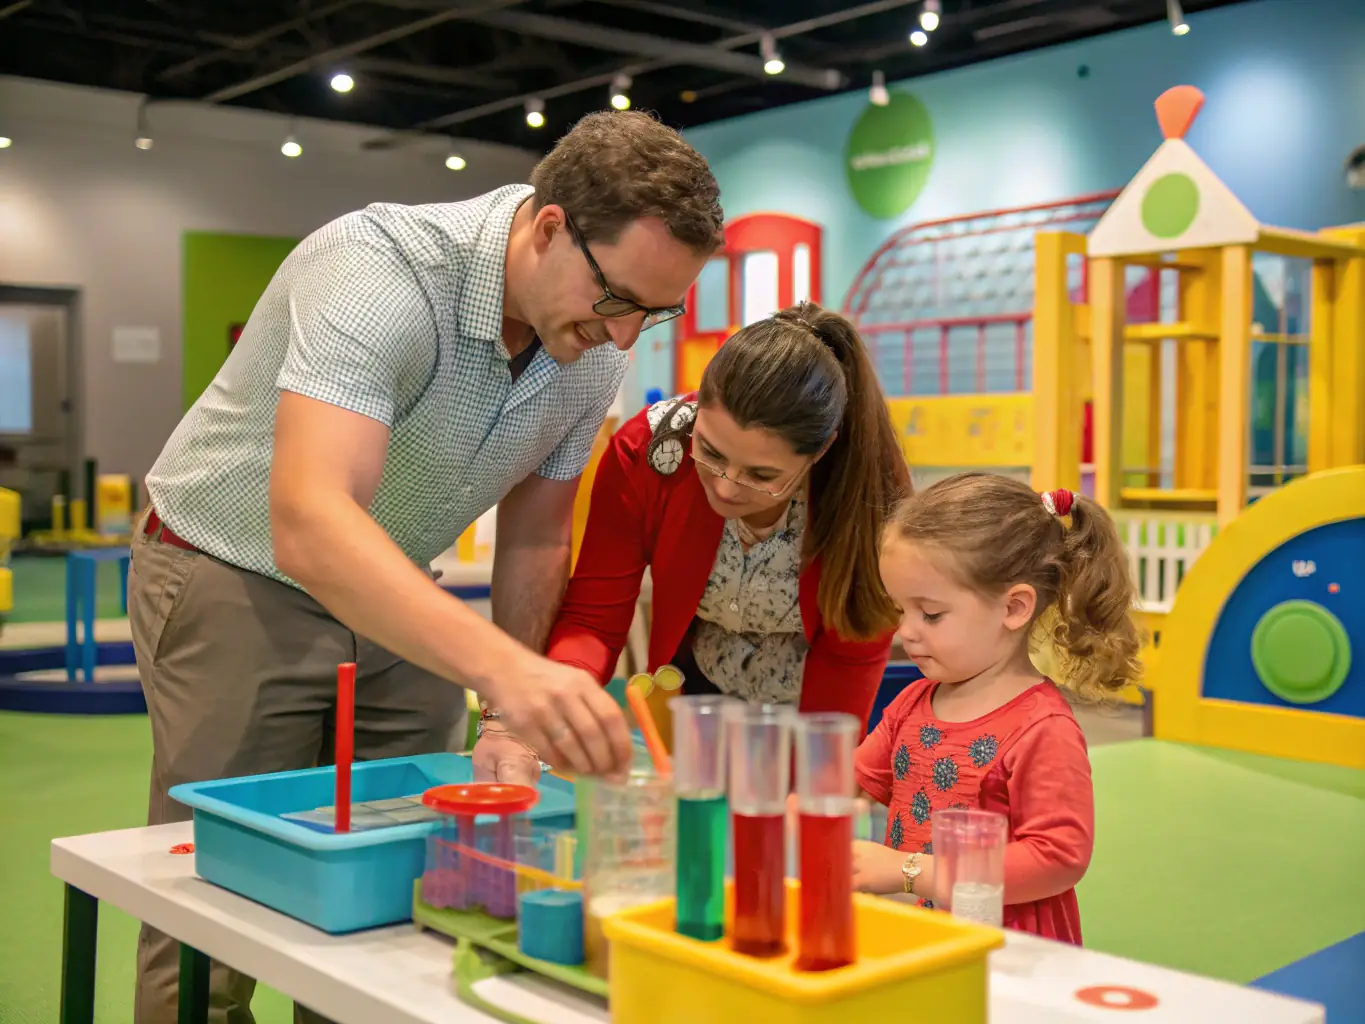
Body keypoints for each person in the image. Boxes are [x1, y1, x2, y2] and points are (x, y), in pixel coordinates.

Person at [128, 109, 723, 1024]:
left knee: (416, 886)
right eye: (618, 302)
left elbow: (533, 537)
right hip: (233, 566)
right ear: (550, 225)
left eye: (658, 311)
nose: (626, 339)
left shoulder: (585, 345)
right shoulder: (378, 269)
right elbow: (312, 525)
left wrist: (512, 715)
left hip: (392, 585)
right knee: (219, 899)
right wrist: (509, 669)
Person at [472, 301, 912, 780]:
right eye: (710, 451)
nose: (725, 486)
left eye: (761, 475)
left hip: (811, 711)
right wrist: (556, 709)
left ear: (819, 451)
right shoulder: (649, 452)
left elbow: (854, 646)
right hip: (695, 706)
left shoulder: (867, 490)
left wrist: (813, 778)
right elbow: (595, 618)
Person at [850, 474, 1143, 945]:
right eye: (900, 609)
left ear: (1014, 608)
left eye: (930, 614)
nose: (906, 632)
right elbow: (855, 781)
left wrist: (910, 870)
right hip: (920, 936)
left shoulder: (1041, 729)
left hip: (1007, 949)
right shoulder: (914, 703)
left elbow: (1057, 858)